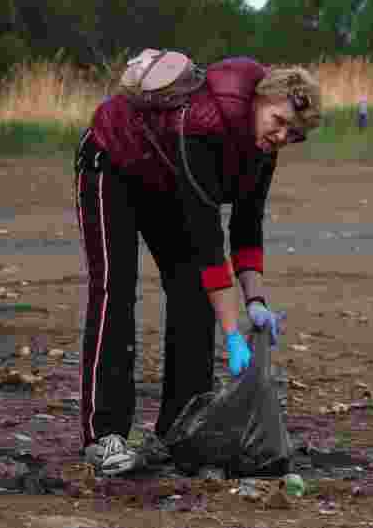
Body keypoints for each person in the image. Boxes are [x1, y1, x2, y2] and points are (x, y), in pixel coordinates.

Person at [74, 56, 321, 476]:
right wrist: (232, 334)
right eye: (279, 121)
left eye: (293, 134)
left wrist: (256, 301)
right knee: (115, 289)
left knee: (192, 292)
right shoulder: (206, 125)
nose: (282, 136)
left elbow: (246, 226)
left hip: (165, 177)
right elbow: (209, 243)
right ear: (260, 100)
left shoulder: (263, 148)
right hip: (112, 162)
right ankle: (104, 436)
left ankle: (179, 431)